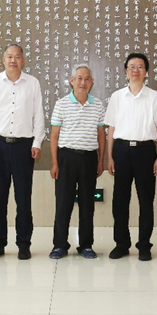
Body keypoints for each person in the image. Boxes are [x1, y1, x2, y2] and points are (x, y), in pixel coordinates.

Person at [0, 44, 44, 260]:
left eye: (17, 57)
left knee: (23, 198)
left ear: (23, 60)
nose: (13, 60)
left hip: (24, 147)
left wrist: (37, 142)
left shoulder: (32, 83)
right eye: (9, 56)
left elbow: (38, 115)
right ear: (3, 60)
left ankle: (24, 244)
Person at [104, 53, 157, 261]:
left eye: (140, 67)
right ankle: (121, 244)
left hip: (146, 151)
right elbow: (111, 128)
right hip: (121, 151)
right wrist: (110, 157)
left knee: (146, 200)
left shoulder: (154, 97)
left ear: (146, 72)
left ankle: (144, 245)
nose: (135, 70)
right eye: (131, 67)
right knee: (120, 200)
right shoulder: (117, 97)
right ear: (126, 71)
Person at [48, 64, 106, 260]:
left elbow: (101, 134)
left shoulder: (98, 105)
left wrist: (101, 160)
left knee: (87, 203)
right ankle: (59, 245)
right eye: (79, 78)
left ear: (92, 82)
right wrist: (55, 163)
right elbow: (54, 136)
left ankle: (86, 245)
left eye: (87, 78)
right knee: (63, 203)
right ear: (72, 81)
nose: (83, 82)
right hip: (66, 158)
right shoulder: (61, 104)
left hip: (89, 158)